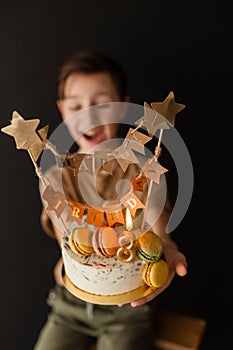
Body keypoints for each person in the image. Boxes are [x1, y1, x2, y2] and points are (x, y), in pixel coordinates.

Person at [33, 50, 187, 350]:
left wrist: (167, 249)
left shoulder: (147, 170)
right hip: (69, 305)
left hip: (128, 309)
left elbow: (159, 229)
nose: (88, 116)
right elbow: (70, 244)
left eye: (101, 105)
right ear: (62, 111)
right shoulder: (54, 178)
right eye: (76, 106)